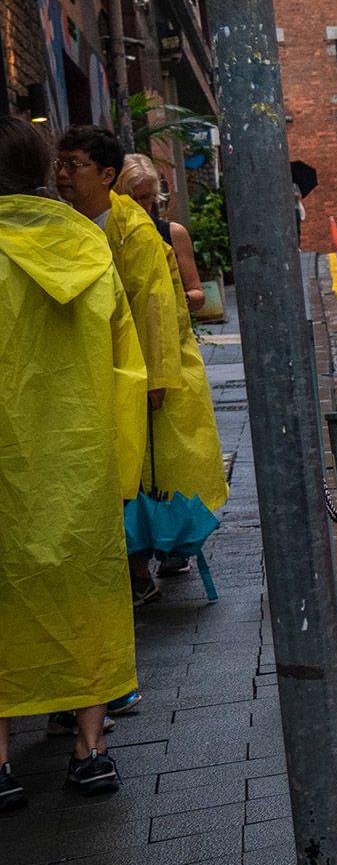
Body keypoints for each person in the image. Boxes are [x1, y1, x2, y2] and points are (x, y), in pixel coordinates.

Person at [0, 117, 147, 803]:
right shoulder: (91, 251)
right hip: (83, 459)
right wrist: (122, 470)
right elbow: (127, 369)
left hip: (8, 463)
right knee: (90, 599)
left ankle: (0, 762)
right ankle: (90, 750)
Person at [53, 127, 228, 606]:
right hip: (96, 371)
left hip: (142, 372)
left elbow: (155, 308)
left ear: (106, 175)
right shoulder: (69, 224)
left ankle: (140, 567)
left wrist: (154, 380)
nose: (62, 173)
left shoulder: (134, 231)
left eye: (74, 164)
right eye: (60, 163)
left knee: (144, 470)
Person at [121, 153, 205, 310]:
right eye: (130, 198)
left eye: (145, 197)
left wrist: (177, 297)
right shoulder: (109, 235)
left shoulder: (173, 233)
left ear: (155, 196)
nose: (138, 205)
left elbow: (197, 295)